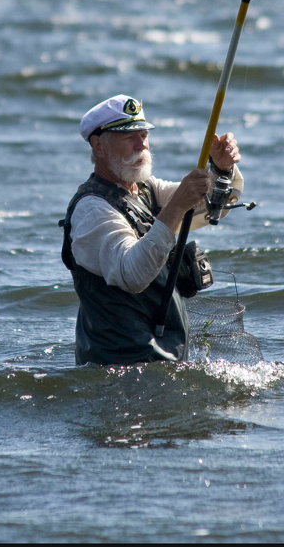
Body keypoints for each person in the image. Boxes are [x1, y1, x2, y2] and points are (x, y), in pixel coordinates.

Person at [59, 94, 243, 366]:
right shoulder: (92, 209)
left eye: (144, 134)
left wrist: (222, 169)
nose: (141, 144)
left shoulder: (147, 190)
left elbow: (212, 207)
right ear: (98, 146)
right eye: (128, 136)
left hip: (160, 360)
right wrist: (175, 209)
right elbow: (132, 274)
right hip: (118, 365)